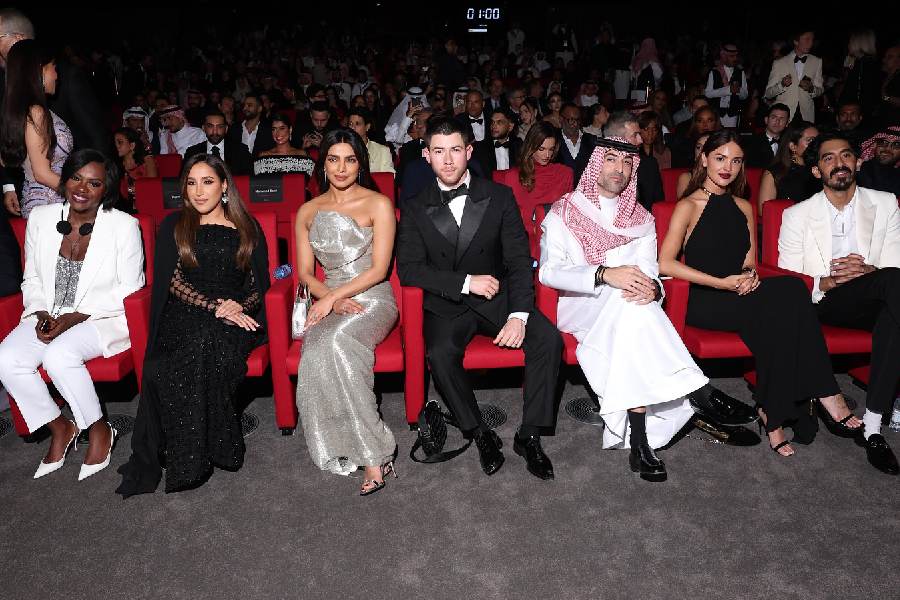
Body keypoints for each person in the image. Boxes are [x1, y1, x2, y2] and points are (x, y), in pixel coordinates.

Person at [659, 130, 859, 457]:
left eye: (736, 161)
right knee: (783, 303)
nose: (728, 167)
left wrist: (750, 276)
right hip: (705, 299)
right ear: (704, 159)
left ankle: (773, 410)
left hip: (739, 293)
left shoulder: (743, 206)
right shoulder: (688, 205)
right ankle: (822, 392)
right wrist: (723, 282)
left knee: (788, 295)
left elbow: (750, 262)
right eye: (720, 158)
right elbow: (665, 263)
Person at [397, 116, 563, 480]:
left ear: (469, 151)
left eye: (455, 150)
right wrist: (464, 281)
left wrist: (519, 314)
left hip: (497, 299)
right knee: (439, 353)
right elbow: (409, 269)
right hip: (447, 303)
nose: (448, 160)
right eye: (438, 152)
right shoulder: (413, 205)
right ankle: (479, 431)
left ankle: (529, 435)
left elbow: (520, 261)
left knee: (548, 340)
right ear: (426, 156)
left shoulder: (499, 196)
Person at [539, 138, 709, 481]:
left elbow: (650, 273)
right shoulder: (564, 210)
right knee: (626, 299)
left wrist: (653, 288)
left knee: (631, 307)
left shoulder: (641, 218)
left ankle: (640, 442)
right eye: (611, 159)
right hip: (580, 306)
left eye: (628, 163)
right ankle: (700, 390)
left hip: (628, 310)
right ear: (593, 164)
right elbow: (548, 271)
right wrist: (603, 275)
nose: (620, 169)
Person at [116, 153, 270, 497]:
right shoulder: (175, 224)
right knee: (192, 344)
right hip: (186, 309)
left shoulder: (248, 226)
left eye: (208, 182)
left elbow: (259, 285)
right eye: (191, 183)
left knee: (211, 342)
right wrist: (214, 306)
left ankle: (197, 450)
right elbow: (172, 281)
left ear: (225, 186)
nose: (199, 191)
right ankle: (197, 454)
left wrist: (237, 306)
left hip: (236, 314)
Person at [0, 149, 144, 480]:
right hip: (49, 313)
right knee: (6, 358)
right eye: (76, 178)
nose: (82, 188)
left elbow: (129, 290)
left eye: (94, 183)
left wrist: (74, 318)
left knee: (59, 355)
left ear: (106, 189)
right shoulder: (40, 218)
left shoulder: (123, 226)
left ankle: (98, 428)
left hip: (100, 317)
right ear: (65, 179)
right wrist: (40, 314)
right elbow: (32, 279)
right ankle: (60, 426)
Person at [778, 131, 900, 475]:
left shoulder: (886, 203)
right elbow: (788, 280)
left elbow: (895, 264)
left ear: (858, 162)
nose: (839, 163)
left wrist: (868, 271)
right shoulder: (797, 215)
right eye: (828, 158)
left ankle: (873, 427)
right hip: (826, 301)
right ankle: (877, 421)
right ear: (816, 171)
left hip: (879, 295)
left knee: (892, 307)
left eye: (846, 155)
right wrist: (827, 281)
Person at [294, 129, 399, 495]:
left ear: (361, 164)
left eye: (350, 159)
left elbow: (379, 270)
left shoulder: (378, 203)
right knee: (316, 348)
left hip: (373, 298)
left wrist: (333, 298)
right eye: (334, 159)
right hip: (332, 297)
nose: (341, 168)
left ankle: (375, 452)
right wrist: (330, 299)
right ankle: (344, 445)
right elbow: (306, 273)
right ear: (323, 163)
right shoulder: (307, 210)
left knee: (337, 342)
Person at [0, 39, 73, 218]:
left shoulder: (19, 108)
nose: (56, 75)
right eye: (53, 67)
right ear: (39, 70)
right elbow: (42, 174)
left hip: (43, 204)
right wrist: (82, 192)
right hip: (50, 206)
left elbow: (4, 158)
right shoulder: (36, 111)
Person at [505, 122, 573, 217]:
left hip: (554, 230)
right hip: (523, 230)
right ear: (531, 146)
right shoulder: (513, 176)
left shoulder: (564, 173)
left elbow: (567, 213)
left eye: (551, 149)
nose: (547, 155)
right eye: (541, 149)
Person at [604, 111, 663, 210]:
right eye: (635, 135)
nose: (640, 140)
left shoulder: (649, 164)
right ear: (617, 139)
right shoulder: (598, 167)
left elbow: (658, 204)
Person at [757, 122, 821, 212]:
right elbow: (764, 211)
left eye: (818, 141)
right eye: (810, 140)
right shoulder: (776, 172)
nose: (816, 145)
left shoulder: (821, 169)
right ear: (793, 146)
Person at [765, 30, 823, 123]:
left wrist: (811, 88)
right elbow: (768, 93)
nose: (811, 43)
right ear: (796, 41)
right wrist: (782, 84)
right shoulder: (779, 62)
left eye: (812, 40)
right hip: (784, 115)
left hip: (806, 115)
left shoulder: (817, 61)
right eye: (807, 39)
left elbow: (820, 90)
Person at [184, 109, 252, 176]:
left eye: (220, 127)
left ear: (226, 129)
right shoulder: (192, 153)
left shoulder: (240, 150)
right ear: (203, 128)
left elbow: (249, 180)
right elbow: (183, 180)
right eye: (210, 126)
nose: (215, 132)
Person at [251, 112, 315, 177]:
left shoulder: (302, 154)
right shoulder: (263, 156)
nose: (278, 133)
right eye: (274, 129)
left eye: (282, 128)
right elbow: (259, 183)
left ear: (290, 130)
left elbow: (309, 182)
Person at [705, 43, 748, 129]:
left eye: (736, 56)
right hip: (716, 113)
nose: (735, 59)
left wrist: (738, 90)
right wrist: (728, 90)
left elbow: (745, 95)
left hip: (732, 114)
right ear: (724, 56)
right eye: (732, 56)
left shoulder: (740, 72)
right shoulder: (714, 71)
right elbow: (708, 93)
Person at [114, 127, 157, 211]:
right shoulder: (116, 164)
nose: (116, 146)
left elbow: (153, 186)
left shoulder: (147, 160)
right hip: (124, 207)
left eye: (120, 142)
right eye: (115, 143)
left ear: (132, 145)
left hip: (147, 203)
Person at [471, 107, 521, 179]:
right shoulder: (481, 148)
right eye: (492, 122)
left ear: (510, 126)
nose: (494, 126)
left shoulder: (518, 146)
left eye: (499, 122)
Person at [347, 107, 395, 174]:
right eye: (350, 124)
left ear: (367, 127)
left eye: (357, 124)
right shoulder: (342, 149)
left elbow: (387, 179)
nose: (353, 128)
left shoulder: (382, 151)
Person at [744, 103, 790, 168]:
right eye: (774, 117)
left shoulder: (789, 144)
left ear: (787, 123)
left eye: (782, 118)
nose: (777, 121)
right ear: (766, 120)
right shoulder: (751, 142)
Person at [558, 102, 594, 185]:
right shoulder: (554, 140)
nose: (575, 123)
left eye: (577, 120)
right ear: (560, 119)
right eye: (570, 119)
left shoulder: (591, 141)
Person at [857, 126, 900, 196]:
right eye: (883, 142)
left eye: (896, 145)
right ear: (874, 145)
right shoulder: (859, 170)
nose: (887, 149)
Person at [676, 133, 710, 199]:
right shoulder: (686, 178)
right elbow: (684, 206)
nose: (702, 151)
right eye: (698, 147)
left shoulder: (722, 177)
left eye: (707, 147)